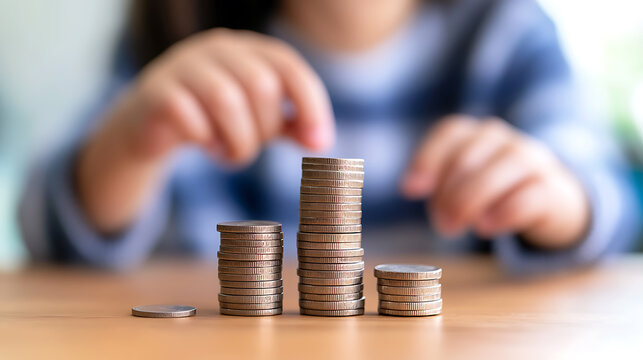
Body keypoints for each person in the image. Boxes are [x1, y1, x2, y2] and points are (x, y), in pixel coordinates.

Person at [19, 0, 639, 271]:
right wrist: (130, 141)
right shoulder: (179, 48)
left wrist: (561, 197)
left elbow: (611, 202)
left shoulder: (511, 38)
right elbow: (46, 226)